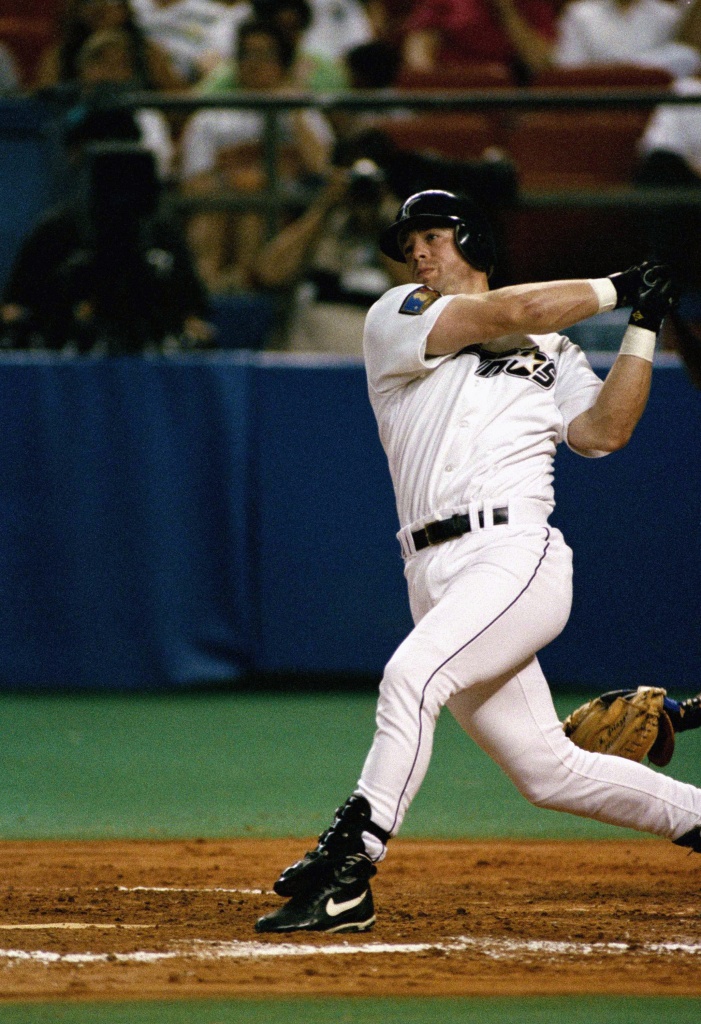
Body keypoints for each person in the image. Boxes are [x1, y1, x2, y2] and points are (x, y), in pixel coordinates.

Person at [254, 188, 701, 935]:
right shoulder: (399, 314)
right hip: (429, 570)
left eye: (434, 235)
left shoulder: (557, 353)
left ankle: (350, 871)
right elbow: (514, 313)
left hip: (513, 553)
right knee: (546, 768)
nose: (419, 252)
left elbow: (601, 433)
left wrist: (642, 326)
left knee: (410, 677)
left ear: (474, 236)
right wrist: (621, 285)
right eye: (410, 241)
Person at [1, 141, 212, 355]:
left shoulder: (161, 232)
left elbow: (194, 312)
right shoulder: (56, 229)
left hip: (151, 358)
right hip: (62, 358)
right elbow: (14, 306)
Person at [179, 17, 334, 292]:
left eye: (264, 55)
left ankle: (247, 300)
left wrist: (295, 109)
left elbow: (321, 169)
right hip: (223, 211)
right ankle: (210, 299)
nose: (253, 62)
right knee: (214, 216)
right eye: (246, 53)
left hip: (285, 216)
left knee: (254, 214)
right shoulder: (210, 117)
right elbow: (193, 185)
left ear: (283, 62)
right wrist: (238, 183)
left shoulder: (302, 113)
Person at [35, 0, 185, 91]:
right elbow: (44, 108)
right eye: (90, 2)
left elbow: (176, 107)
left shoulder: (147, 53)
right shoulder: (60, 56)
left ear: (124, 8)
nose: (101, 8)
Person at [402, 0, 558, 84]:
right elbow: (418, 59)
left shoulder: (533, 4)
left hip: (510, 98)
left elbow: (541, 64)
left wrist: (506, 10)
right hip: (452, 93)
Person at [554, 0, 701, 78]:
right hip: (595, 105)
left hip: (651, 108)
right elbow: (569, 70)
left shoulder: (667, 16)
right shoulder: (580, 14)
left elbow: (676, 70)